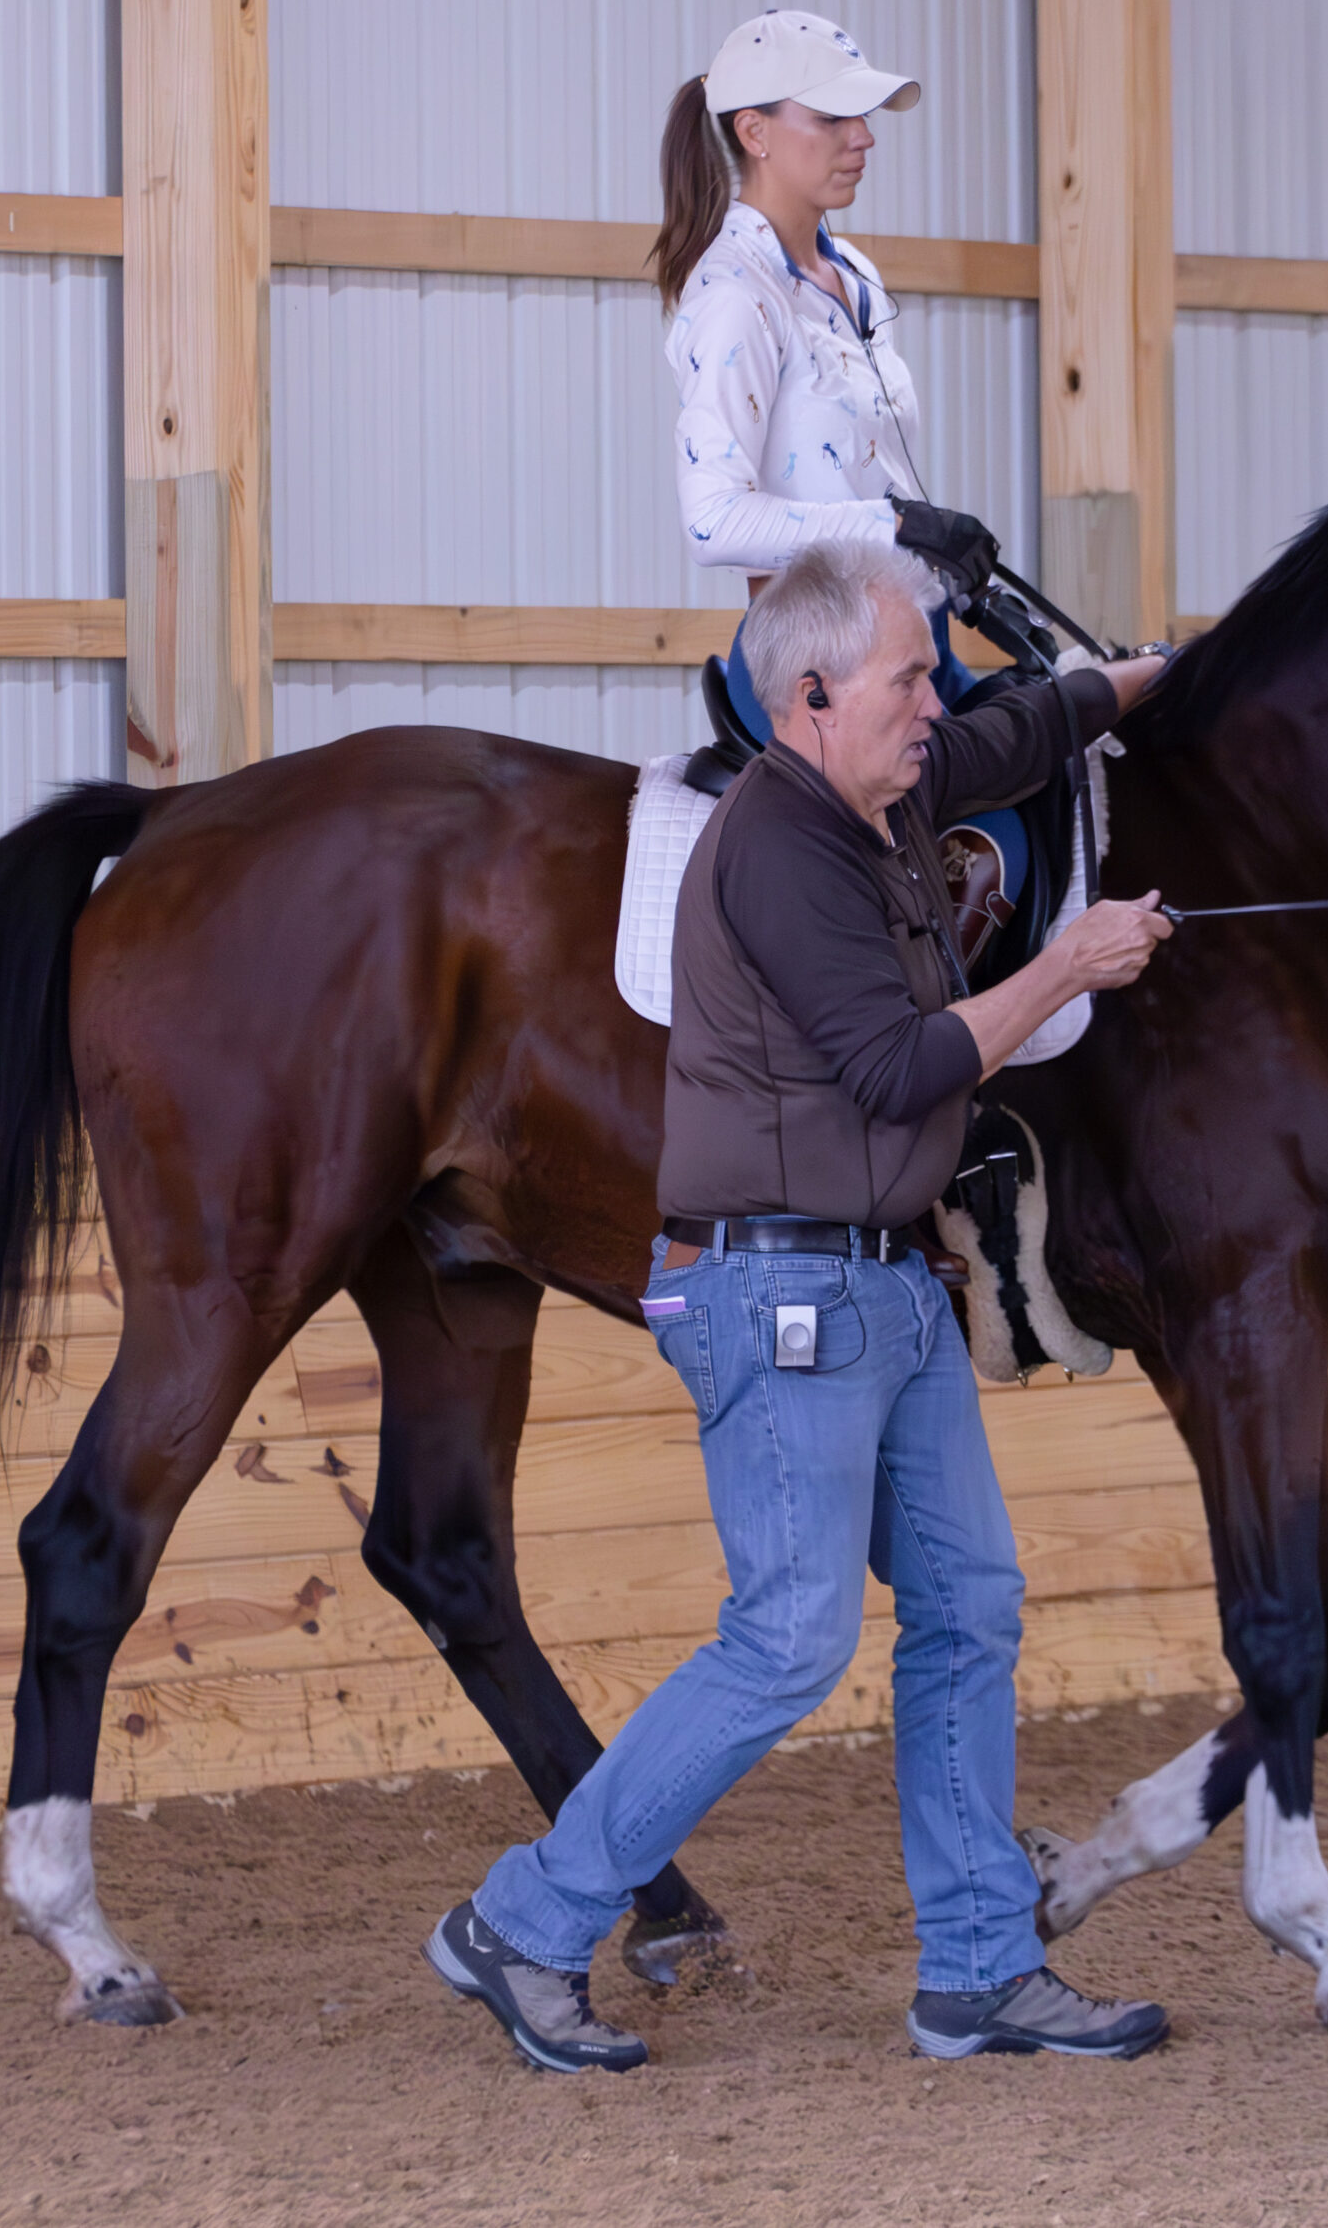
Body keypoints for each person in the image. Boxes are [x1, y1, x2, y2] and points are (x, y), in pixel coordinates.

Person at [425, 538, 1174, 2071]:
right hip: (782, 1295)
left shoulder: (881, 783)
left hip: (885, 1288)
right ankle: (525, 1920)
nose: (934, 703)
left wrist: (1166, 675)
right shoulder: (780, 843)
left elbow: (1021, 729)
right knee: (785, 1641)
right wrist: (1075, 963)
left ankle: (977, 1967)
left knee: (969, 1606)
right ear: (815, 694)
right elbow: (901, 1068)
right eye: (912, 679)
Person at [652, 7, 1033, 962]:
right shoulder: (737, 294)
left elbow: (875, 472)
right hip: (814, 662)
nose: (864, 138)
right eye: (833, 119)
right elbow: (711, 519)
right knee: (994, 836)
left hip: (908, 640)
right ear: (754, 132)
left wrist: (951, 571)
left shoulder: (851, 276)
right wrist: (899, 526)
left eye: (864, 118)